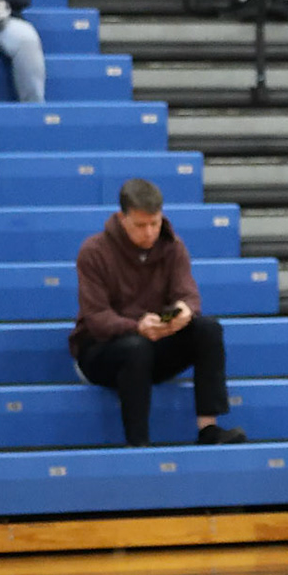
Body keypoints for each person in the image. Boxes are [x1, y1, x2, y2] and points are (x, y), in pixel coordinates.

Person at [70, 178, 245, 448]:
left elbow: (188, 295)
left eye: (155, 223)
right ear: (122, 218)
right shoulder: (94, 251)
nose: (150, 232)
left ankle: (208, 429)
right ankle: (138, 442)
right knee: (135, 347)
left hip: (152, 344)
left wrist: (184, 311)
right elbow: (97, 319)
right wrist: (136, 326)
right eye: (141, 225)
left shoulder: (173, 246)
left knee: (208, 329)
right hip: (101, 350)